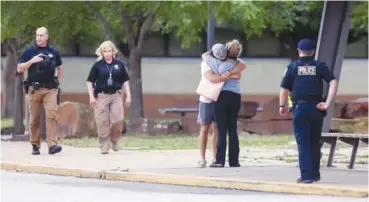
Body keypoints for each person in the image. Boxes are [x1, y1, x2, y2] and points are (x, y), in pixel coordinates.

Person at [279, 38, 338, 183]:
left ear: (299, 51)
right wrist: (327, 103)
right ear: (313, 52)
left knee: (303, 142)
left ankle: (306, 176)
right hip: (316, 108)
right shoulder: (319, 66)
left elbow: (284, 88)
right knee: (314, 141)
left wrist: (282, 106)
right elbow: (333, 82)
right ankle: (315, 174)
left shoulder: (292, 67)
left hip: (300, 107)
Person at [17, 27, 63, 155]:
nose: (39, 38)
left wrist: (57, 83)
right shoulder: (30, 51)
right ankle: (35, 145)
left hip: (50, 89)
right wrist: (32, 61)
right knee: (34, 118)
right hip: (34, 89)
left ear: (47, 37)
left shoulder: (53, 51)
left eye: (42, 35)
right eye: (37, 35)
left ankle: (52, 145)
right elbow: (20, 68)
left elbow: (60, 67)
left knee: (51, 115)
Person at [202, 40, 247, 168]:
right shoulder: (237, 64)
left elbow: (204, 55)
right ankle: (234, 161)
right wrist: (231, 74)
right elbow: (241, 70)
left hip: (221, 96)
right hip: (235, 96)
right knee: (233, 130)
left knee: (221, 130)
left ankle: (220, 161)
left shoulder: (217, 62)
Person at [86, 40, 131, 154]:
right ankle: (104, 144)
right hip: (101, 95)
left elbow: (125, 81)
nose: (107, 53)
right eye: (105, 51)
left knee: (118, 119)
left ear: (113, 51)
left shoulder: (119, 64)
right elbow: (89, 81)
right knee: (102, 121)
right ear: (101, 52)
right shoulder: (98, 65)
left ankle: (114, 141)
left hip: (116, 95)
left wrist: (128, 96)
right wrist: (91, 96)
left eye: (109, 51)